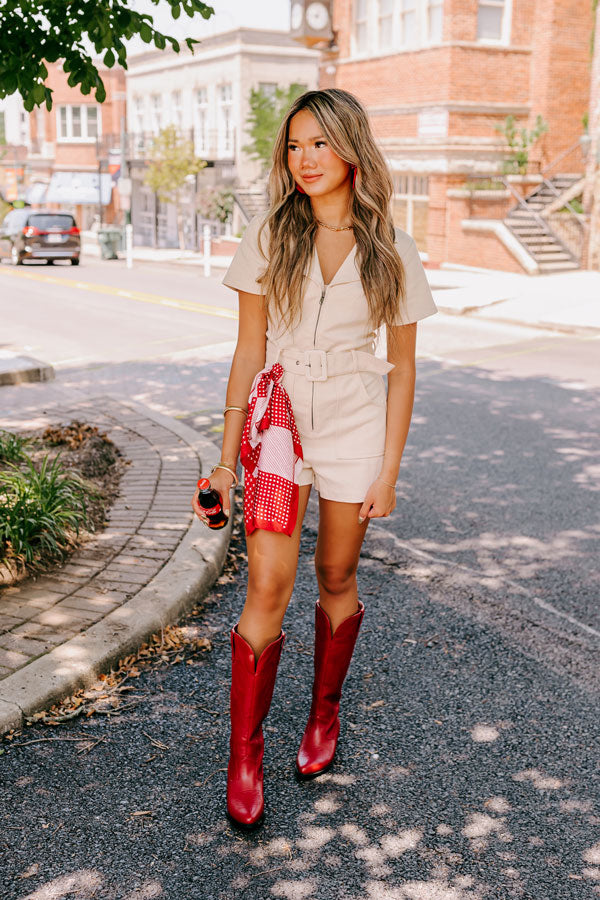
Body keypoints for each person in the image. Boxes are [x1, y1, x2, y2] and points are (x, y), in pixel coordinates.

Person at [191, 88, 437, 829]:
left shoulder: (390, 244)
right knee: (266, 584)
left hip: (357, 422)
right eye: (295, 146)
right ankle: (245, 756)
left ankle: (324, 712)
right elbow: (247, 350)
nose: (305, 159)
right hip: (278, 423)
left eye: (319, 144)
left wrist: (388, 469)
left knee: (335, 572)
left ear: (351, 149)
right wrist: (226, 462)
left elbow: (403, 368)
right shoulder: (272, 234)